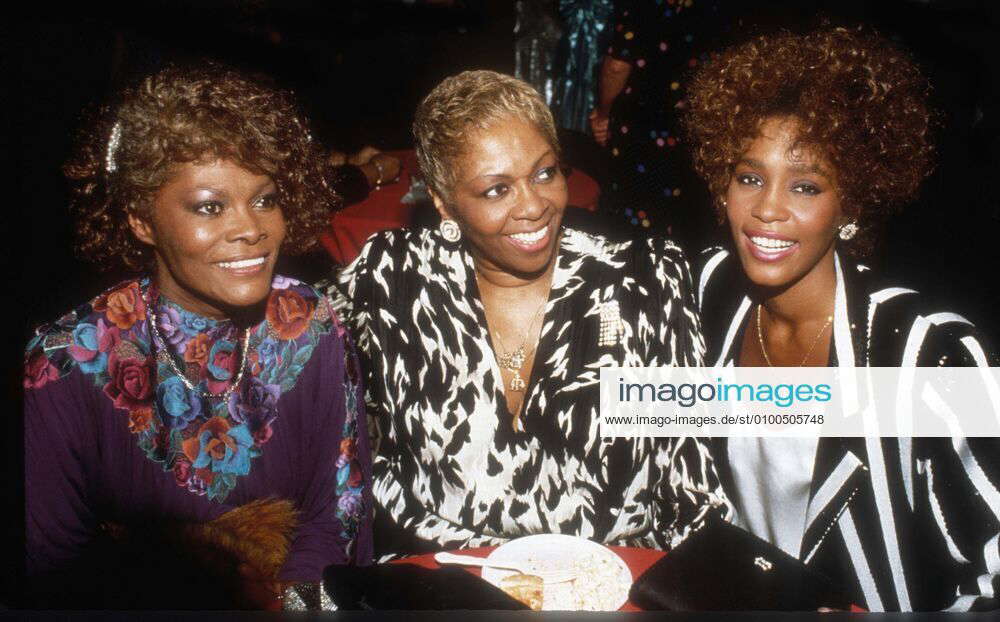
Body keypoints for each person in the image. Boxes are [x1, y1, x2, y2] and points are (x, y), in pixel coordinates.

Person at [322, 70, 725, 558]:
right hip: (438, 571)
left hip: (606, 573)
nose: (534, 206)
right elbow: (289, 353)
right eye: (496, 190)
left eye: (544, 173)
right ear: (444, 203)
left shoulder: (641, 282)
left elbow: (690, 479)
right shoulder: (396, 276)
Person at [23, 63, 372, 609]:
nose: (251, 227)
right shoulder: (66, 361)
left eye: (264, 199)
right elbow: (55, 572)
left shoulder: (312, 324)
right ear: (141, 220)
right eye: (210, 207)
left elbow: (337, 524)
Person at [683, 26, 999, 611]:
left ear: (850, 204)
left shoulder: (931, 354)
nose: (767, 209)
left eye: (805, 186)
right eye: (749, 177)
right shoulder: (709, 295)